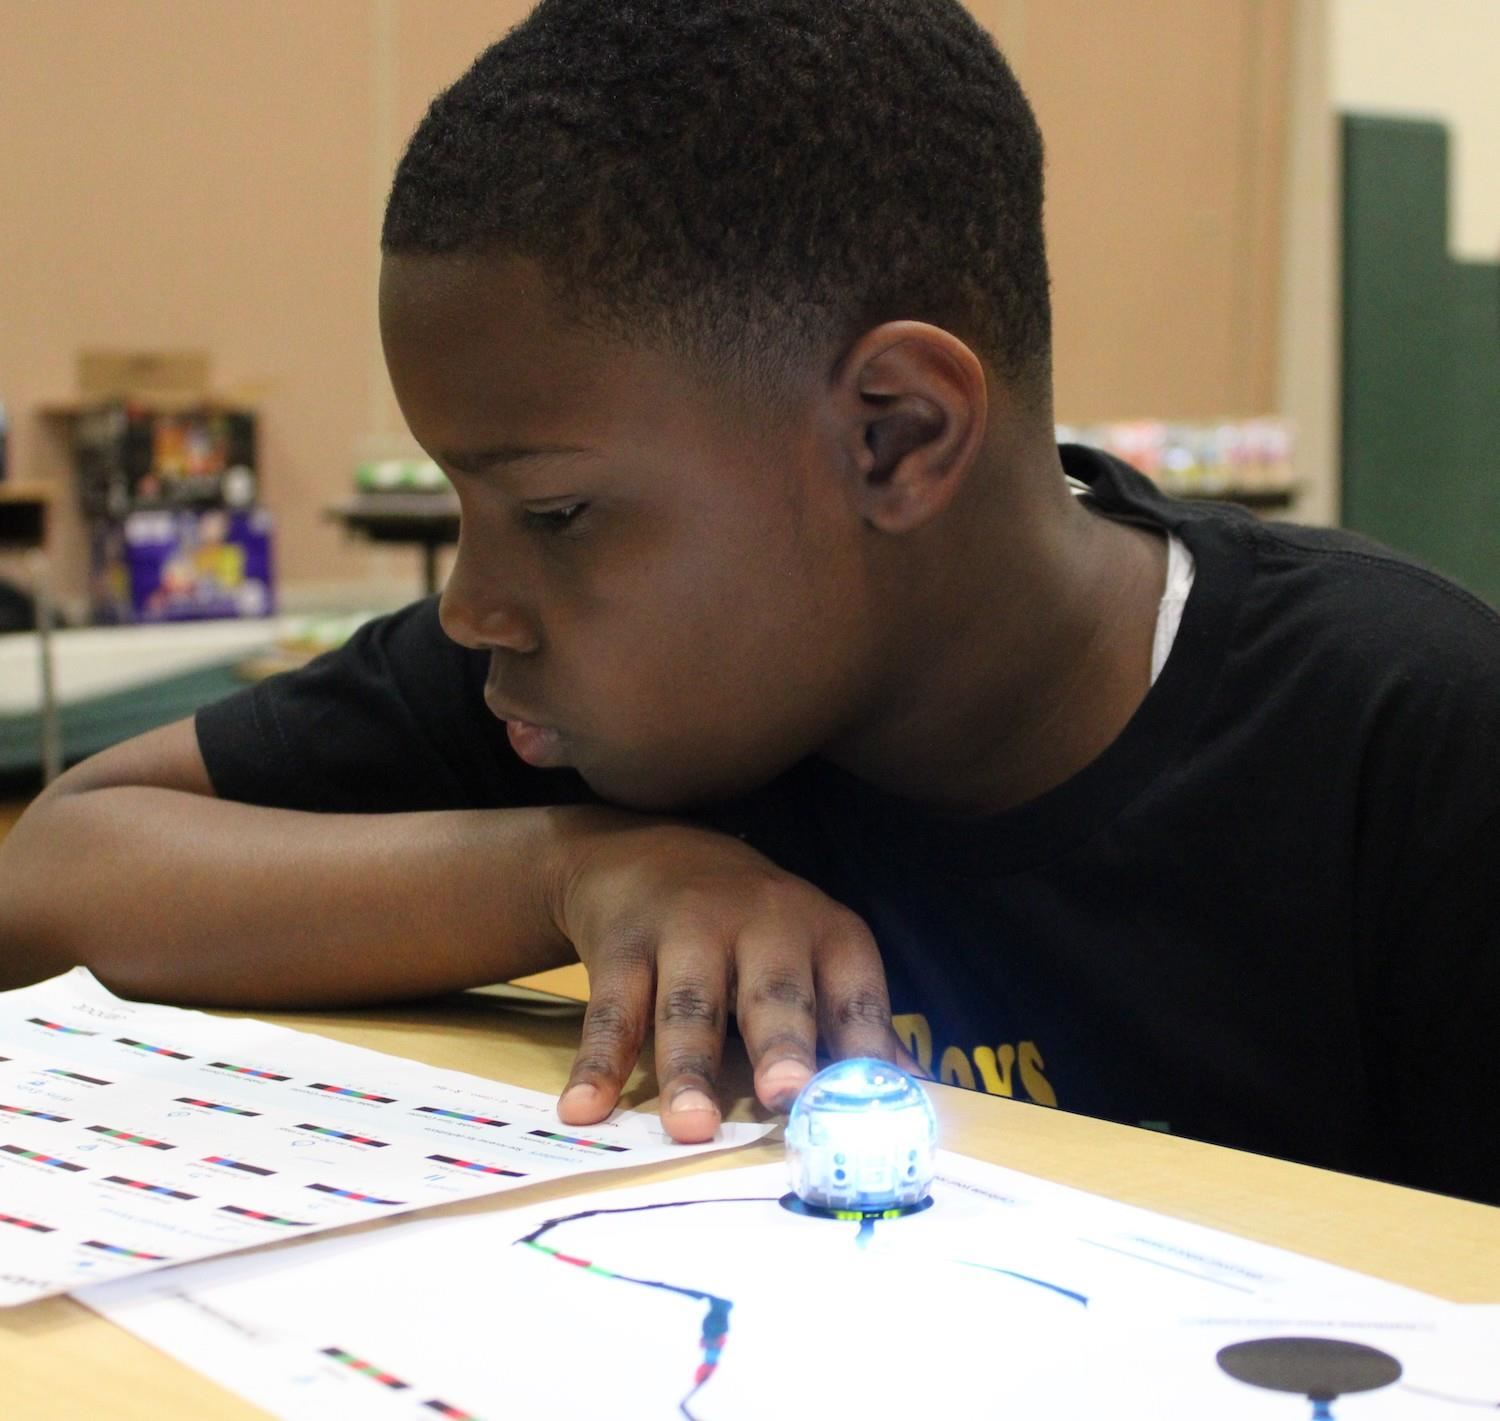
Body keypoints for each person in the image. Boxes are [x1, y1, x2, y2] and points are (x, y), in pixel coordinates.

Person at [2, 0, 1496, 1205]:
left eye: (556, 513)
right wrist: (577, 873)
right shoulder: (577, 705)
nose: (473, 605)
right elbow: (54, 868)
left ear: (895, 436)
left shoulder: (1406, 743)